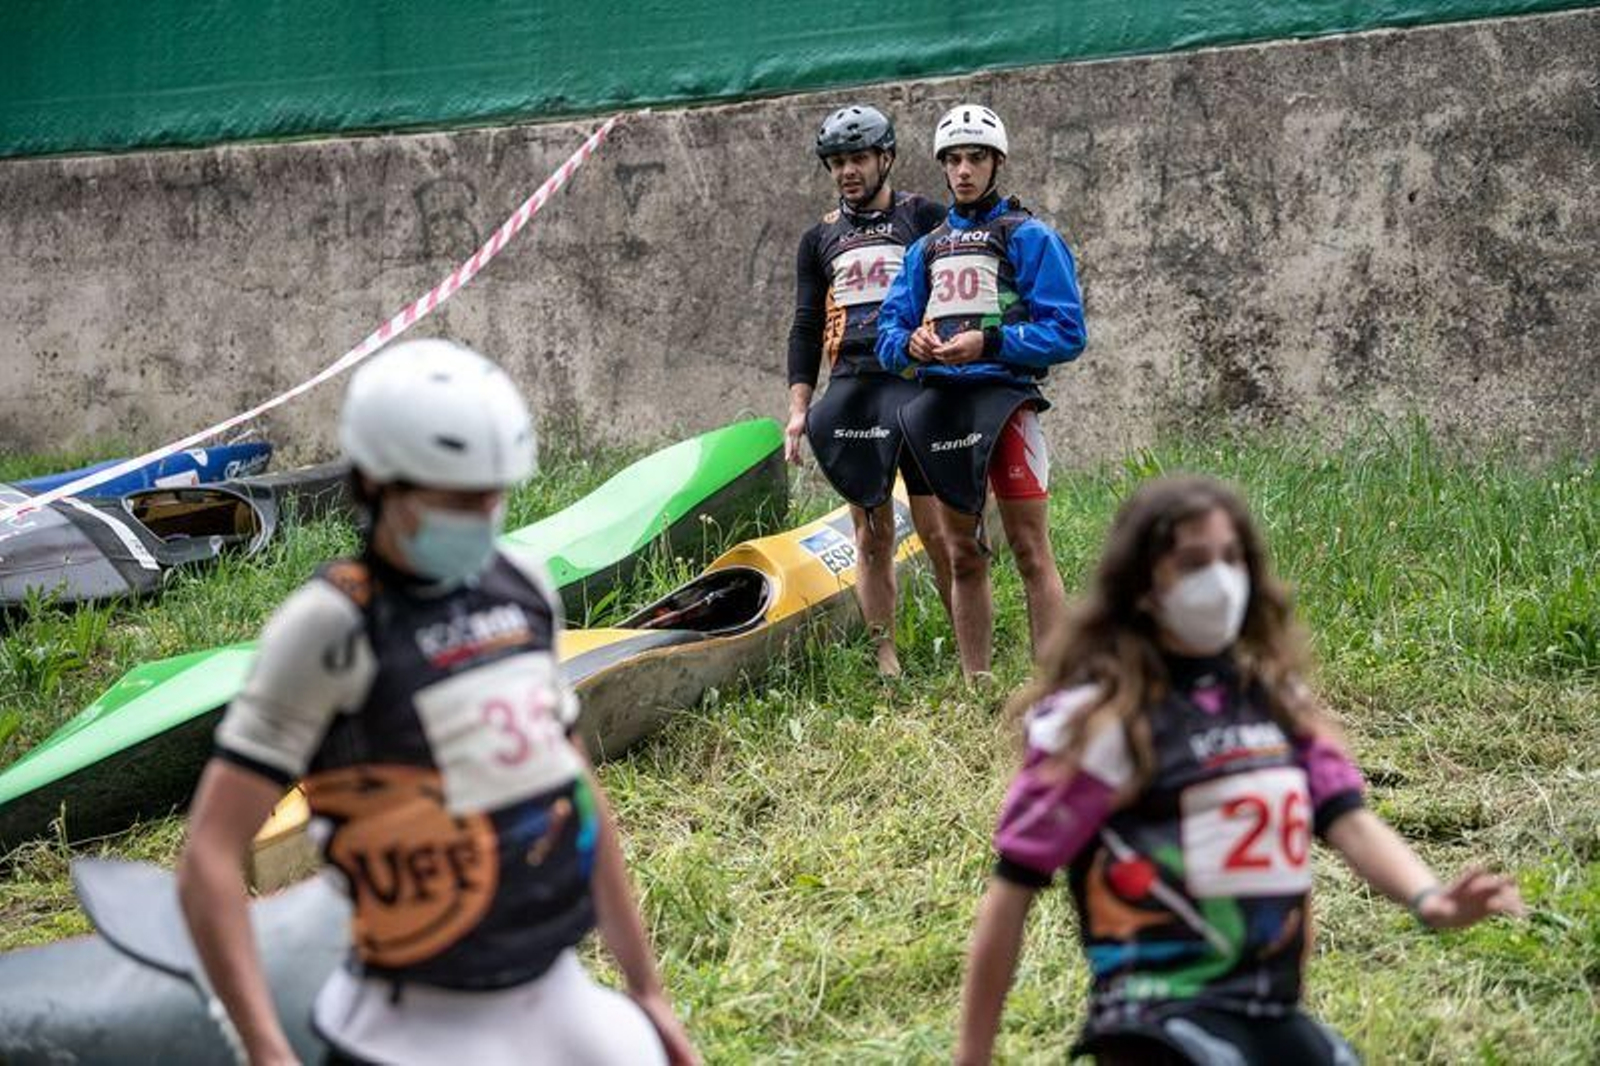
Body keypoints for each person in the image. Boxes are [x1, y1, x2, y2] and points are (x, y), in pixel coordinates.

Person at [177, 339, 697, 1066]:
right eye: (457, 498)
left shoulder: (521, 584)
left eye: (494, 493)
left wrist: (647, 991)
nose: (483, 514)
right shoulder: (329, 627)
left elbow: (576, 788)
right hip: (409, 1028)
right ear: (376, 484)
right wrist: (265, 1048)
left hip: (557, 992)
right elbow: (209, 852)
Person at [955, 475, 1525, 1064]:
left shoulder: (1277, 702)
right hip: (1155, 1015)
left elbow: (1350, 822)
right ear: (1143, 584)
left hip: (1267, 1008)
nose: (1219, 579)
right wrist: (971, 1056)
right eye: (1193, 561)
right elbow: (1011, 890)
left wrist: (1429, 899)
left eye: (1232, 559)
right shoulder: (1100, 722)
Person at [877, 103, 1087, 680]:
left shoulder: (1030, 237)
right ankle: (977, 685)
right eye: (953, 160)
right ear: (943, 168)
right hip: (944, 408)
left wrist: (988, 343)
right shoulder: (924, 251)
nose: (963, 170)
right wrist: (911, 347)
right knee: (963, 552)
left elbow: (1067, 332)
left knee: (1028, 548)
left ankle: (1054, 684)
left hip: (1007, 406)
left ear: (997, 163)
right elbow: (890, 334)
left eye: (975, 158)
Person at [787, 103, 953, 677]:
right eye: (836, 162)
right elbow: (807, 325)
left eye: (857, 158)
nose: (847, 171)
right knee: (872, 530)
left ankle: (966, 642)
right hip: (853, 388)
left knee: (936, 529)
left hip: (915, 385)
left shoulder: (925, 216)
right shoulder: (819, 239)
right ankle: (886, 657)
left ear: (886, 157)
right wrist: (798, 407)